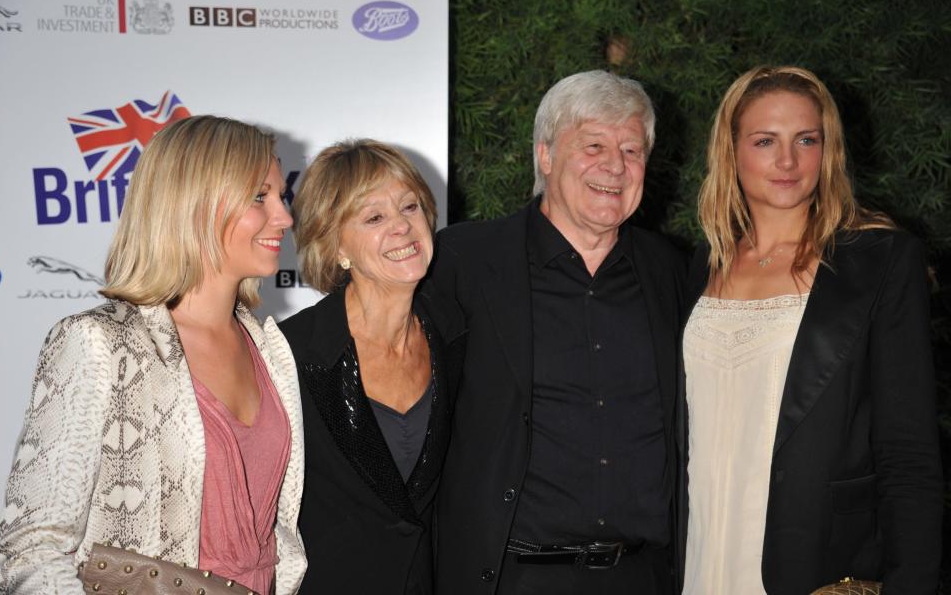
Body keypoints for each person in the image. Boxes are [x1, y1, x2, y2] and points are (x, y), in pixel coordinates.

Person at [0, 115, 306, 595]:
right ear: (194, 203)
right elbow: (29, 549)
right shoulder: (99, 342)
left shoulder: (270, 351)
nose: (283, 217)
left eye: (281, 197)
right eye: (258, 197)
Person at [681, 66, 942, 594]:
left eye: (806, 140)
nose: (787, 161)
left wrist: (909, 582)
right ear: (730, 152)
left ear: (829, 151)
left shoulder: (880, 263)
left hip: (816, 564)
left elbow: (908, 452)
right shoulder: (694, 269)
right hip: (695, 553)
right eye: (764, 141)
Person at [430, 70, 686, 594]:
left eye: (632, 150)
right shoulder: (464, 262)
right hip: (511, 580)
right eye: (593, 145)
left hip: (645, 578)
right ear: (545, 155)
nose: (615, 166)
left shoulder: (679, 273)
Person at [278, 139, 464, 595]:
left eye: (410, 206)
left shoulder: (456, 337)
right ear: (336, 244)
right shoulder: (290, 352)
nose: (402, 226)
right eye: (374, 218)